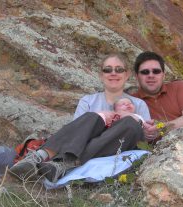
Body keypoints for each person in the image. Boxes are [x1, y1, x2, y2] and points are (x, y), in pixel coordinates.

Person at [9, 53, 151, 183]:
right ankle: (37, 158)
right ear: (101, 75)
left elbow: (143, 139)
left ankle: (64, 163)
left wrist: (132, 119)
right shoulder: (88, 101)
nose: (113, 73)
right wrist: (101, 116)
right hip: (88, 145)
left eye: (119, 69)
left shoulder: (138, 104)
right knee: (92, 117)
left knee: (130, 123)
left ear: (127, 75)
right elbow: (75, 134)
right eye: (108, 70)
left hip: (121, 144)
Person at [132, 51, 183, 141]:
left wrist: (163, 129)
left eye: (156, 71)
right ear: (137, 76)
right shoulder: (130, 101)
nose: (151, 75)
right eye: (145, 72)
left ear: (163, 75)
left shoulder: (179, 87)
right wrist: (142, 133)